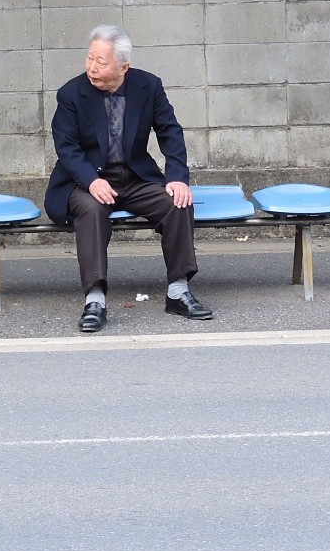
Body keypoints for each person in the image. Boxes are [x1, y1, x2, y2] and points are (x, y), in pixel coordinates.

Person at [43, 24, 212, 334]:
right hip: (84, 180)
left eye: (101, 61)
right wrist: (91, 181)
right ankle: (95, 300)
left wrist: (176, 176)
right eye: (89, 58)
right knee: (92, 210)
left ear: (123, 66)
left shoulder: (148, 86)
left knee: (177, 202)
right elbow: (66, 148)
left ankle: (178, 290)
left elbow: (170, 131)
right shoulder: (71, 94)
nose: (92, 67)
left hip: (133, 176)